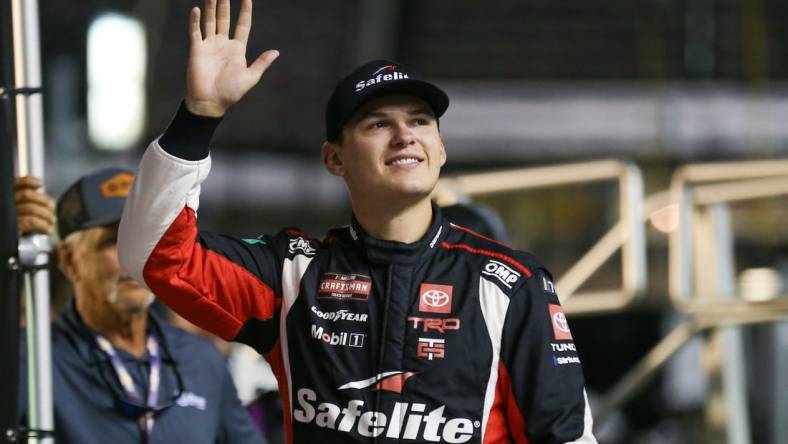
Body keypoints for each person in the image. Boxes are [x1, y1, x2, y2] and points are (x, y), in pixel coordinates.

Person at [117, 0, 597, 442]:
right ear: (334, 159)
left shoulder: (511, 284)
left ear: (442, 149)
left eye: (421, 121)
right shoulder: (292, 274)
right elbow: (153, 254)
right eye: (378, 124)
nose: (405, 136)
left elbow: (566, 437)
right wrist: (199, 118)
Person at [15, 171, 264, 444]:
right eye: (114, 240)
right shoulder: (34, 359)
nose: (134, 256)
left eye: (145, 238)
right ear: (69, 260)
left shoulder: (200, 359)